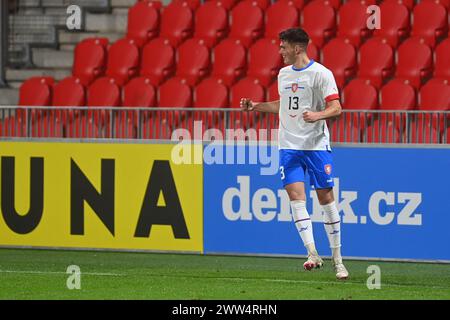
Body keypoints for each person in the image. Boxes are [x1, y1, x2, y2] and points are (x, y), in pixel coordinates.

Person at [240, 28, 349, 280]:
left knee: (325, 199)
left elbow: (336, 108)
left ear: (297, 48)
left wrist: (317, 115)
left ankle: (338, 260)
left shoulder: (322, 74)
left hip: (316, 147)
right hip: (288, 147)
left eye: (283, 47)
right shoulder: (283, 74)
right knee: (295, 197)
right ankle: (312, 253)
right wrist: (256, 105)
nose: (280, 51)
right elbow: (283, 104)